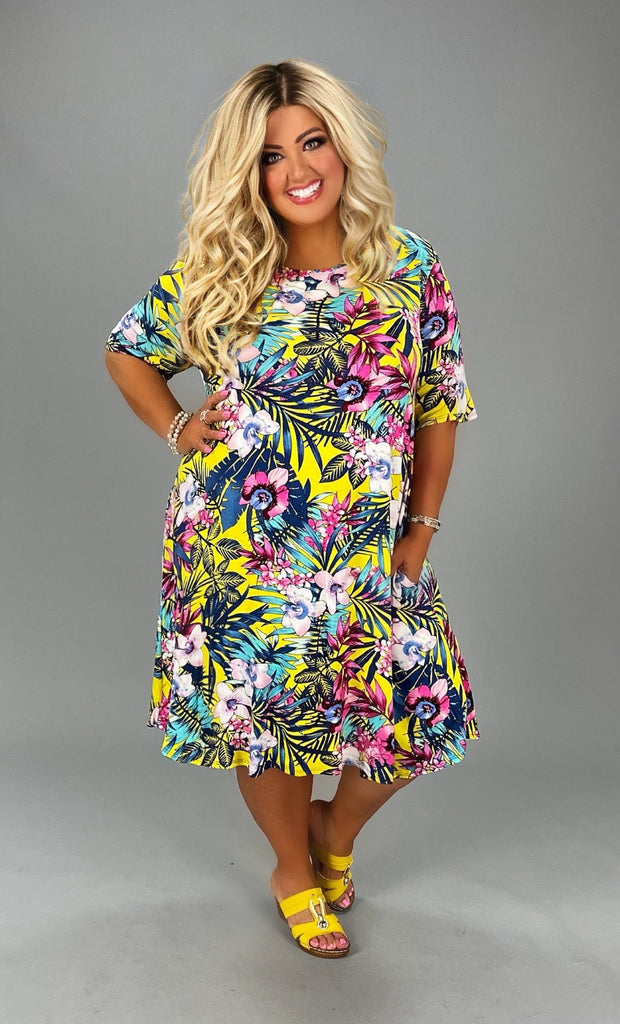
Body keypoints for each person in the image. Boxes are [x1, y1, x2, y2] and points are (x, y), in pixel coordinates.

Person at [104, 58, 480, 959]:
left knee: (418, 712)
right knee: (270, 726)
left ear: (344, 147)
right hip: (244, 544)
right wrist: (177, 429)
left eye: (312, 143)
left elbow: (439, 406)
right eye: (271, 156)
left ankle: (332, 831)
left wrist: (421, 530)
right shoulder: (223, 270)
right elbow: (128, 350)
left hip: (369, 548)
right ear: (250, 173)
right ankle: (291, 867)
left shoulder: (409, 267)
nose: (297, 170)